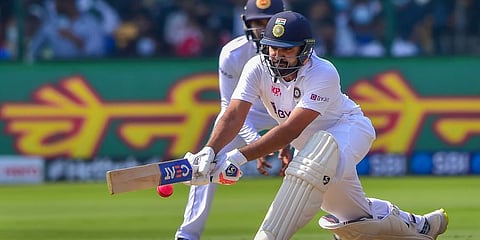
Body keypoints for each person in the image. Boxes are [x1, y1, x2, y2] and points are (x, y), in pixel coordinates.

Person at [185, 11, 449, 240]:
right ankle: (423, 225)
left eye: (287, 49)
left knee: (312, 168)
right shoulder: (256, 67)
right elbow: (233, 115)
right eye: (273, 48)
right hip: (310, 149)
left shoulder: (323, 72)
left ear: (305, 49)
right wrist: (210, 150)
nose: (278, 56)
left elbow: (291, 129)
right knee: (352, 220)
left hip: (348, 131)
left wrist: (238, 157)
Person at [173, 1, 290, 239]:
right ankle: (187, 234)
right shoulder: (233, 54)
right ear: (246, 23)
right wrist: (257, 144)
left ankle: (343, 220)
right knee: (208, 160)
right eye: (256, 22)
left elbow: (300, 106)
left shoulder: (298, 50)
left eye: (267, 22)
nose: (261, 28)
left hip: (290, 112)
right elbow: (230, 110)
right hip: (249, 113)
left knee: (316, 164)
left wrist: (284, 141)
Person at [28, 0, 105, 60]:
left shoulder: (90, 23)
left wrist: (75, 39)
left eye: (58, 2)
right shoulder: (51, 25)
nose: (55, 6)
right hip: (57, 71)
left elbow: (96, 53)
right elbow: (33, 52)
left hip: (86, 71)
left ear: (68, 2)